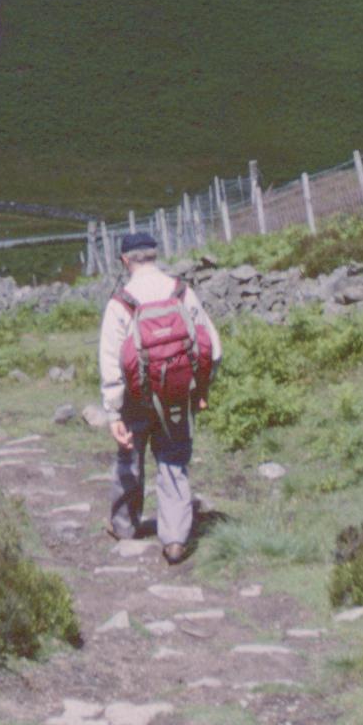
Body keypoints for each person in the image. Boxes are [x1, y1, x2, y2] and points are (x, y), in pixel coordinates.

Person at [99, 226, 221, 564]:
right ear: (155, 255)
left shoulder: (121, 302)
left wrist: (112, 413)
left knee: (129, 459)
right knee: (173, 460)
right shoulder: (181, 292)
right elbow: (212, 345)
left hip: (135, 398)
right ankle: (176, 539)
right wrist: (200, 388)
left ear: (125, 260)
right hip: (178, 395)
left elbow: (110, 361)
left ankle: (124, 526)